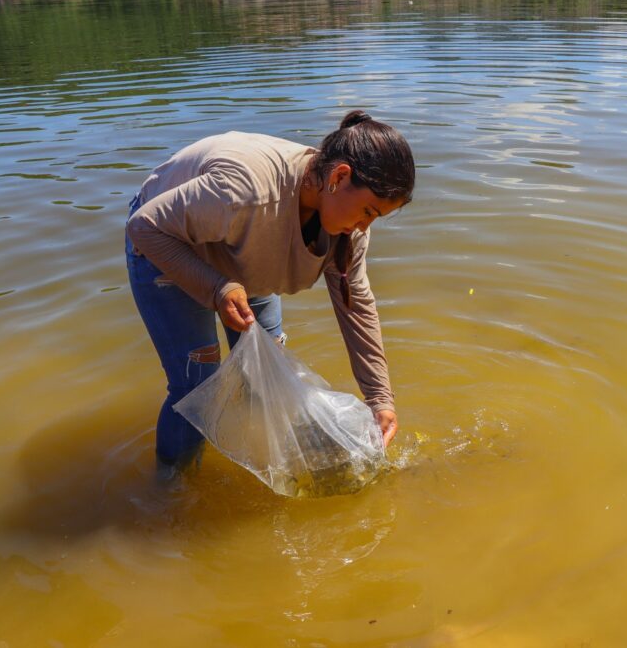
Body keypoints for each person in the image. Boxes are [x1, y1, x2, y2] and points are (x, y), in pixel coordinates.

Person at [125, 110, 414, 469]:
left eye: (375, 217)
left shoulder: (347, 228)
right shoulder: (245, 192)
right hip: (168, 243)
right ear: (339, 177)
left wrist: (380, 399)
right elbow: (145, 227)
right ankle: (170, 487)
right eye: (367, 211)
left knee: (267, 378)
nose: (365, 225)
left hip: (243, 249)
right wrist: (217, 288)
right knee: (196, 384)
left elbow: (357, 306)